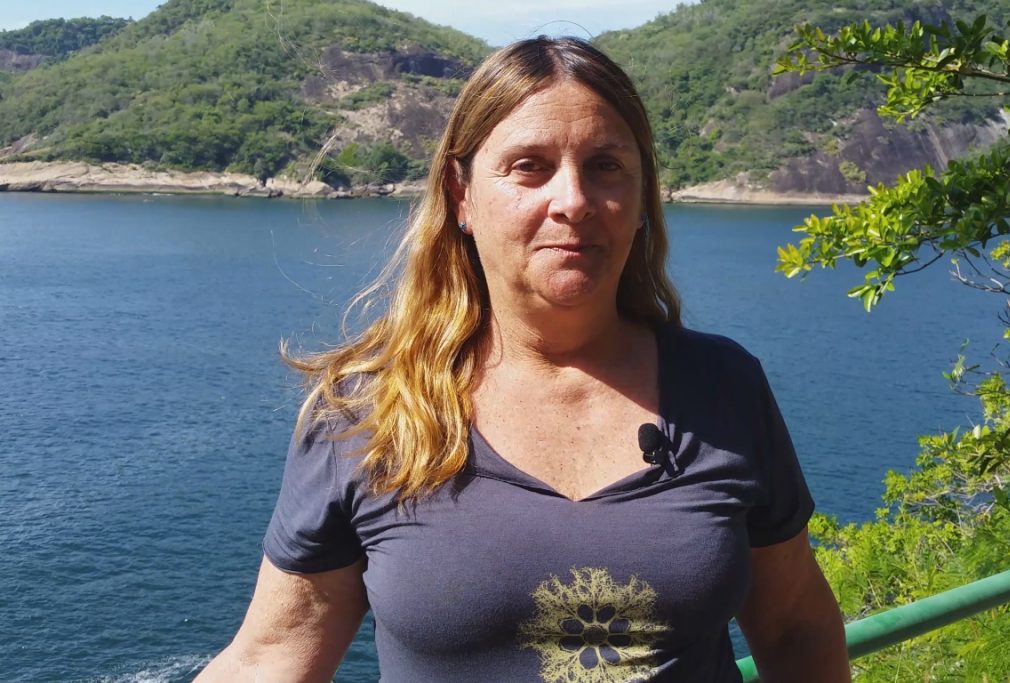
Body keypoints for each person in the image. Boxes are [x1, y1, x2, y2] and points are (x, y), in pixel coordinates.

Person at [196, 37, 850, 682]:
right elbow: (271, 656)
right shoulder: (369, 408)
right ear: (461, 195)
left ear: (641, 198)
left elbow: (795, 626)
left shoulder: (724, 387)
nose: (573, 200)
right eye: (530, 166)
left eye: (605, 166)